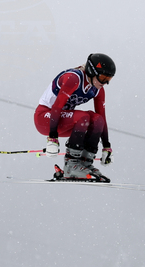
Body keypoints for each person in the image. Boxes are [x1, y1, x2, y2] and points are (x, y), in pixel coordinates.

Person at [34, 53, 115, 182]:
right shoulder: (74, 78)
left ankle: (85, 163)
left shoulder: (98, 89)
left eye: (109, 79)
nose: (105, 83)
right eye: (103, 77)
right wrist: (52, 139)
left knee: (97, 120)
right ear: (92, 72)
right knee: (83, 118)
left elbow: (102, 119)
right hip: (45, 117)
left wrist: (106, 146)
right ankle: (71, 166)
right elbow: (57, 107)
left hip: (62, 120)